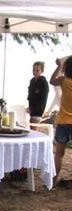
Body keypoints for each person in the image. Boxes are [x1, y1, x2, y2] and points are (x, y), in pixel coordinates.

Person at [50, 56, 72, 186]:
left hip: (63, 121)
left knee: (58, 154)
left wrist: (58, 66)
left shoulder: (64, 81)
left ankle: (53, 181)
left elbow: (52, 80)